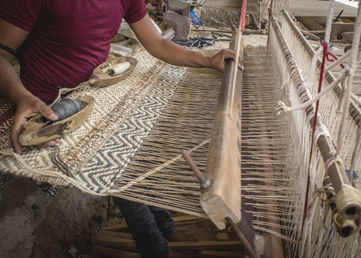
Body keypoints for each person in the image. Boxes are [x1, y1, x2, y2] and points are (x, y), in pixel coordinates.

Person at [0, 0, 239, 257]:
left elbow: (156, 43)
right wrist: (23, 97)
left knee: (133, 162)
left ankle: (164, 230)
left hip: (95, 94)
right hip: (48, 108)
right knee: (121, 177)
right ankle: (156, 247)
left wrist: (206, 60)